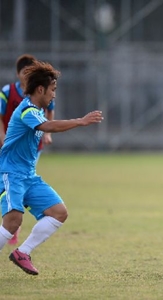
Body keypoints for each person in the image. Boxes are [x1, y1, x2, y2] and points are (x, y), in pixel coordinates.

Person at [0, 60, 103, 275]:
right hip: (10, 174)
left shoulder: (37, 109)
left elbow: (47, 123)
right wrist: (81, 121)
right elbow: (48, 126)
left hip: (28, 175)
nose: (54, 95)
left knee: (59, 212)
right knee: (13, 221)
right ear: (40, 89)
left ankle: (23, 253)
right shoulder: (27, 110)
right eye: (53, 90)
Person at [0, 54, 56, 246]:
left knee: (58, 211)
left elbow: (50, 115)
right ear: (18, 74)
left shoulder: (41, 102)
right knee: (12, 211)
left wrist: (47, 134)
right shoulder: (10, 94)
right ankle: (11, 221)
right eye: (25, 72)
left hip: (26, 163)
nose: (27, 75)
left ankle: (19, 246)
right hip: (9, 157)